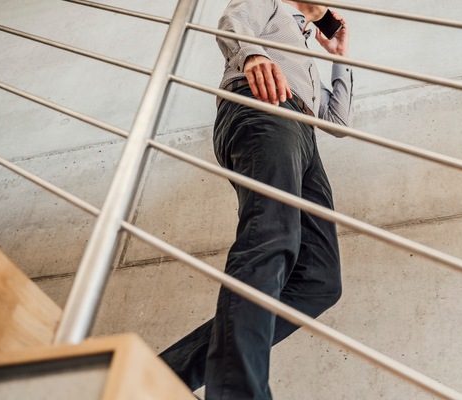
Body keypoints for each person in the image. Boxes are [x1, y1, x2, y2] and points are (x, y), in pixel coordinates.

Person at [159, 1, 353, 399]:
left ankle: (166, 373)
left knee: (319, 280)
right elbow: (232, 23)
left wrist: (338, 58)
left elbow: (338, 123)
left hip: (304, 135)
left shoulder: (306, 52)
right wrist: (252, 55)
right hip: (262, 108)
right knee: (272, 235)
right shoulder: (272, 4)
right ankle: (240, 391)